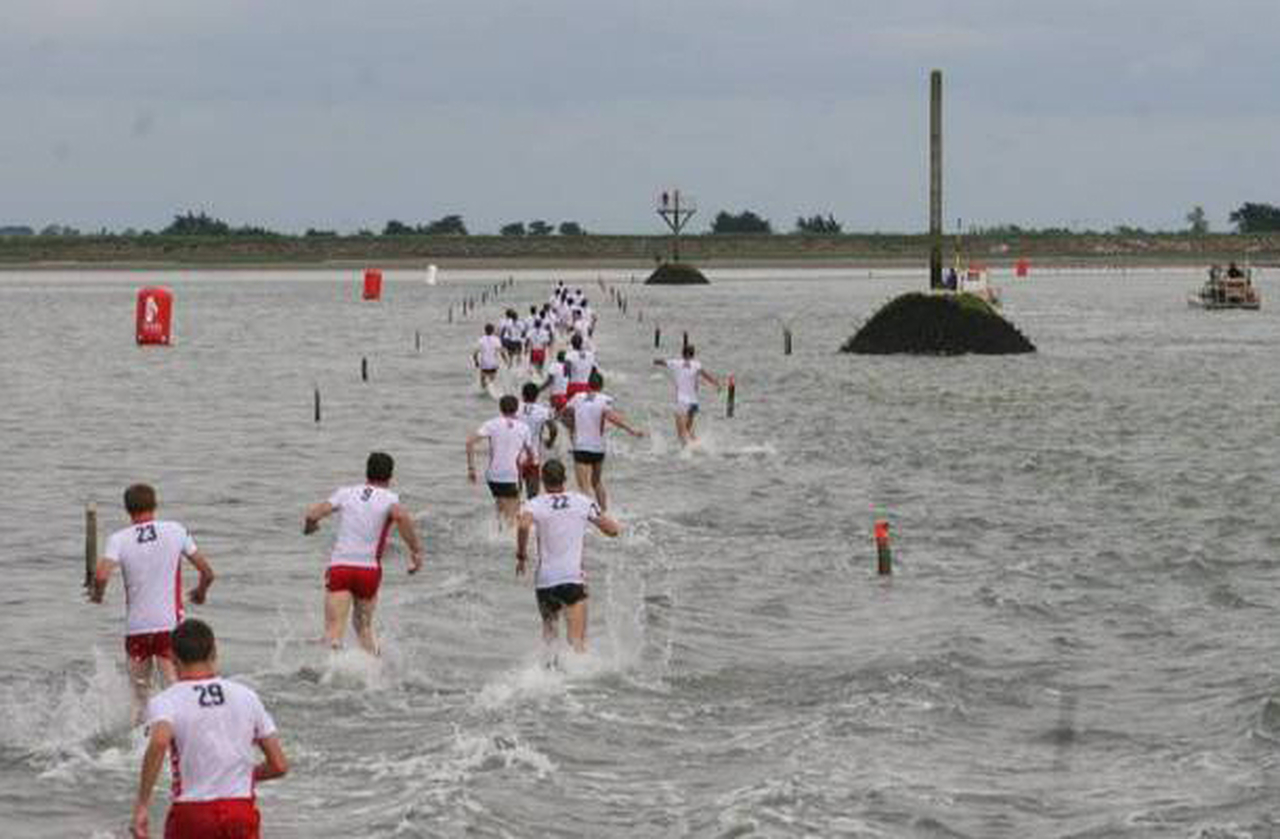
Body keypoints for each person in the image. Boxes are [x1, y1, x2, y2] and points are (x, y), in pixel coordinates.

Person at [130, 618, 287, 839]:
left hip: (193, 813)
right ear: (214, 651)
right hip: (240, 811)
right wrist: (241, 775)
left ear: (173, 657)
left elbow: (159, 741)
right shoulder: (247, 696)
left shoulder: (167, 701)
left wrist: (142, 805)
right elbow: (279, 765)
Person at [90, 484, 215, 719]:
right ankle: (176, 741)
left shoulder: (119, 539)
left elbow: (101, 576)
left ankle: (139, 745)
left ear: (127, 509)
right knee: (176, 692)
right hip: (170, 629)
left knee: (139, 700)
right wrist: (200, 592)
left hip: (137, 630)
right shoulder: (175, 530)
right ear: (155, 505)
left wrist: (98, 596)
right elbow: (208, 573)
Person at [303, 452, 423, 655]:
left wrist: (310, 527)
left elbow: (313, 514)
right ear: (390, 476)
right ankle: (375, 674)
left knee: (333, 631)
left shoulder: (346, 492)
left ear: (366, 471)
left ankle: (332, 675)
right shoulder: (390, 498)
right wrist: (415, 551)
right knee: (364, 629)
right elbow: (401, 516)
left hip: (341, 568)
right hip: (368, 571)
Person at [516, 459, 620, 654]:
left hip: (545, 581)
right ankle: (576, 679)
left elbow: (522, 525)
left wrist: (521, 556)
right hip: (572, 579)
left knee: (550, 637)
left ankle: (548, 673)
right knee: (577, 641)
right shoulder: (582, 501)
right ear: (565, 479)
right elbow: (612, 530)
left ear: (542, 480)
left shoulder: (533, 504)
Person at [560, 370, 645, 512]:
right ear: (601, 386)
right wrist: (631, 430)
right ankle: (605, 512)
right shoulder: (605, 399)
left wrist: (571, 428)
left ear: (587, 384)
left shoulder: (577, 397)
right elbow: (612, 417)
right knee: (596, 482)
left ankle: (591, 516)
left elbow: (564, 413)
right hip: (598, 449)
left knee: (584, 487)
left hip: (581, 447)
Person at [467, 394, 535, 528]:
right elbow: (531, 455)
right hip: (511, 475)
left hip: (493, 476)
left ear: (500, 408)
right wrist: (526, 463)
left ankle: (498, 532)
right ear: (516, 409)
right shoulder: (524, 427)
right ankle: (508, 542)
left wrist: (471, 469)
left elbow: (469, 442)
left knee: (500, 504)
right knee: (513, 514)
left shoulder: (491, 424)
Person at [653, 343, 721, 445]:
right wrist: (717, 385)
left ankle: (686, 452)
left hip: (682, 402)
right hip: (694, 403)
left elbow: (659, 361)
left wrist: (654, 358)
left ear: (682, 353)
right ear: (693, 355)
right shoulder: (697, 365)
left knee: (681, 432)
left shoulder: (675, 362)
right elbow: (707, 376)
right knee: (688, 431)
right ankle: (697, 445)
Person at [516, 382, 558, 499]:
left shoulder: (516, 408)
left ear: (522, 395)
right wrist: (550, 442)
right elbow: (553, 429)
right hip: (533, 458)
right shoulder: (543, 411)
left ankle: (511, 517)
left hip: (515, 457)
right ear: (537, 396)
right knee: (533, 497)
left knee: (513, 496)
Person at [564, 333, 597, 401]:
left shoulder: (570, 354)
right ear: (581, 343)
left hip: (573, 386)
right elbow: (594, 369)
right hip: (586, 386)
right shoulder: (590, 355)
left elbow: (566, 371)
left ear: (572, 344)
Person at [473, 324, 502, 391]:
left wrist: (476, 362)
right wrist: (506, 360)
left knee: (482, 381)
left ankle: (485, 390)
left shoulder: (481, 340)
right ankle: (491, 390)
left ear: (485, 330)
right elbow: (501, 351)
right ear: (493, 331)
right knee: (492, 381)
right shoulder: (496, 339)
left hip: (484, 363)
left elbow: (475, 353)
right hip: (493, 363)